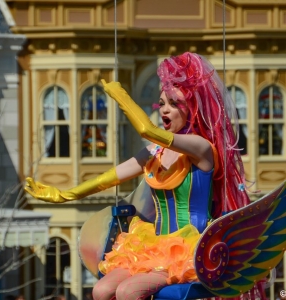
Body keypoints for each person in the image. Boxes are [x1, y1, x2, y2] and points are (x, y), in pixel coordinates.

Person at [25, 52, 250, 300]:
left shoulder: (201, 147)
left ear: (192, 109)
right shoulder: (156, 152)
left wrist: (121, 97)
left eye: (174, 104)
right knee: (100, 291)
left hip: (190, 249)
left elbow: (147, 130)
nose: (165, 109)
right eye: (162, 102)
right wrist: (65, 194)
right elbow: (112, 177)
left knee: (128, 292)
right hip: (153, 245)